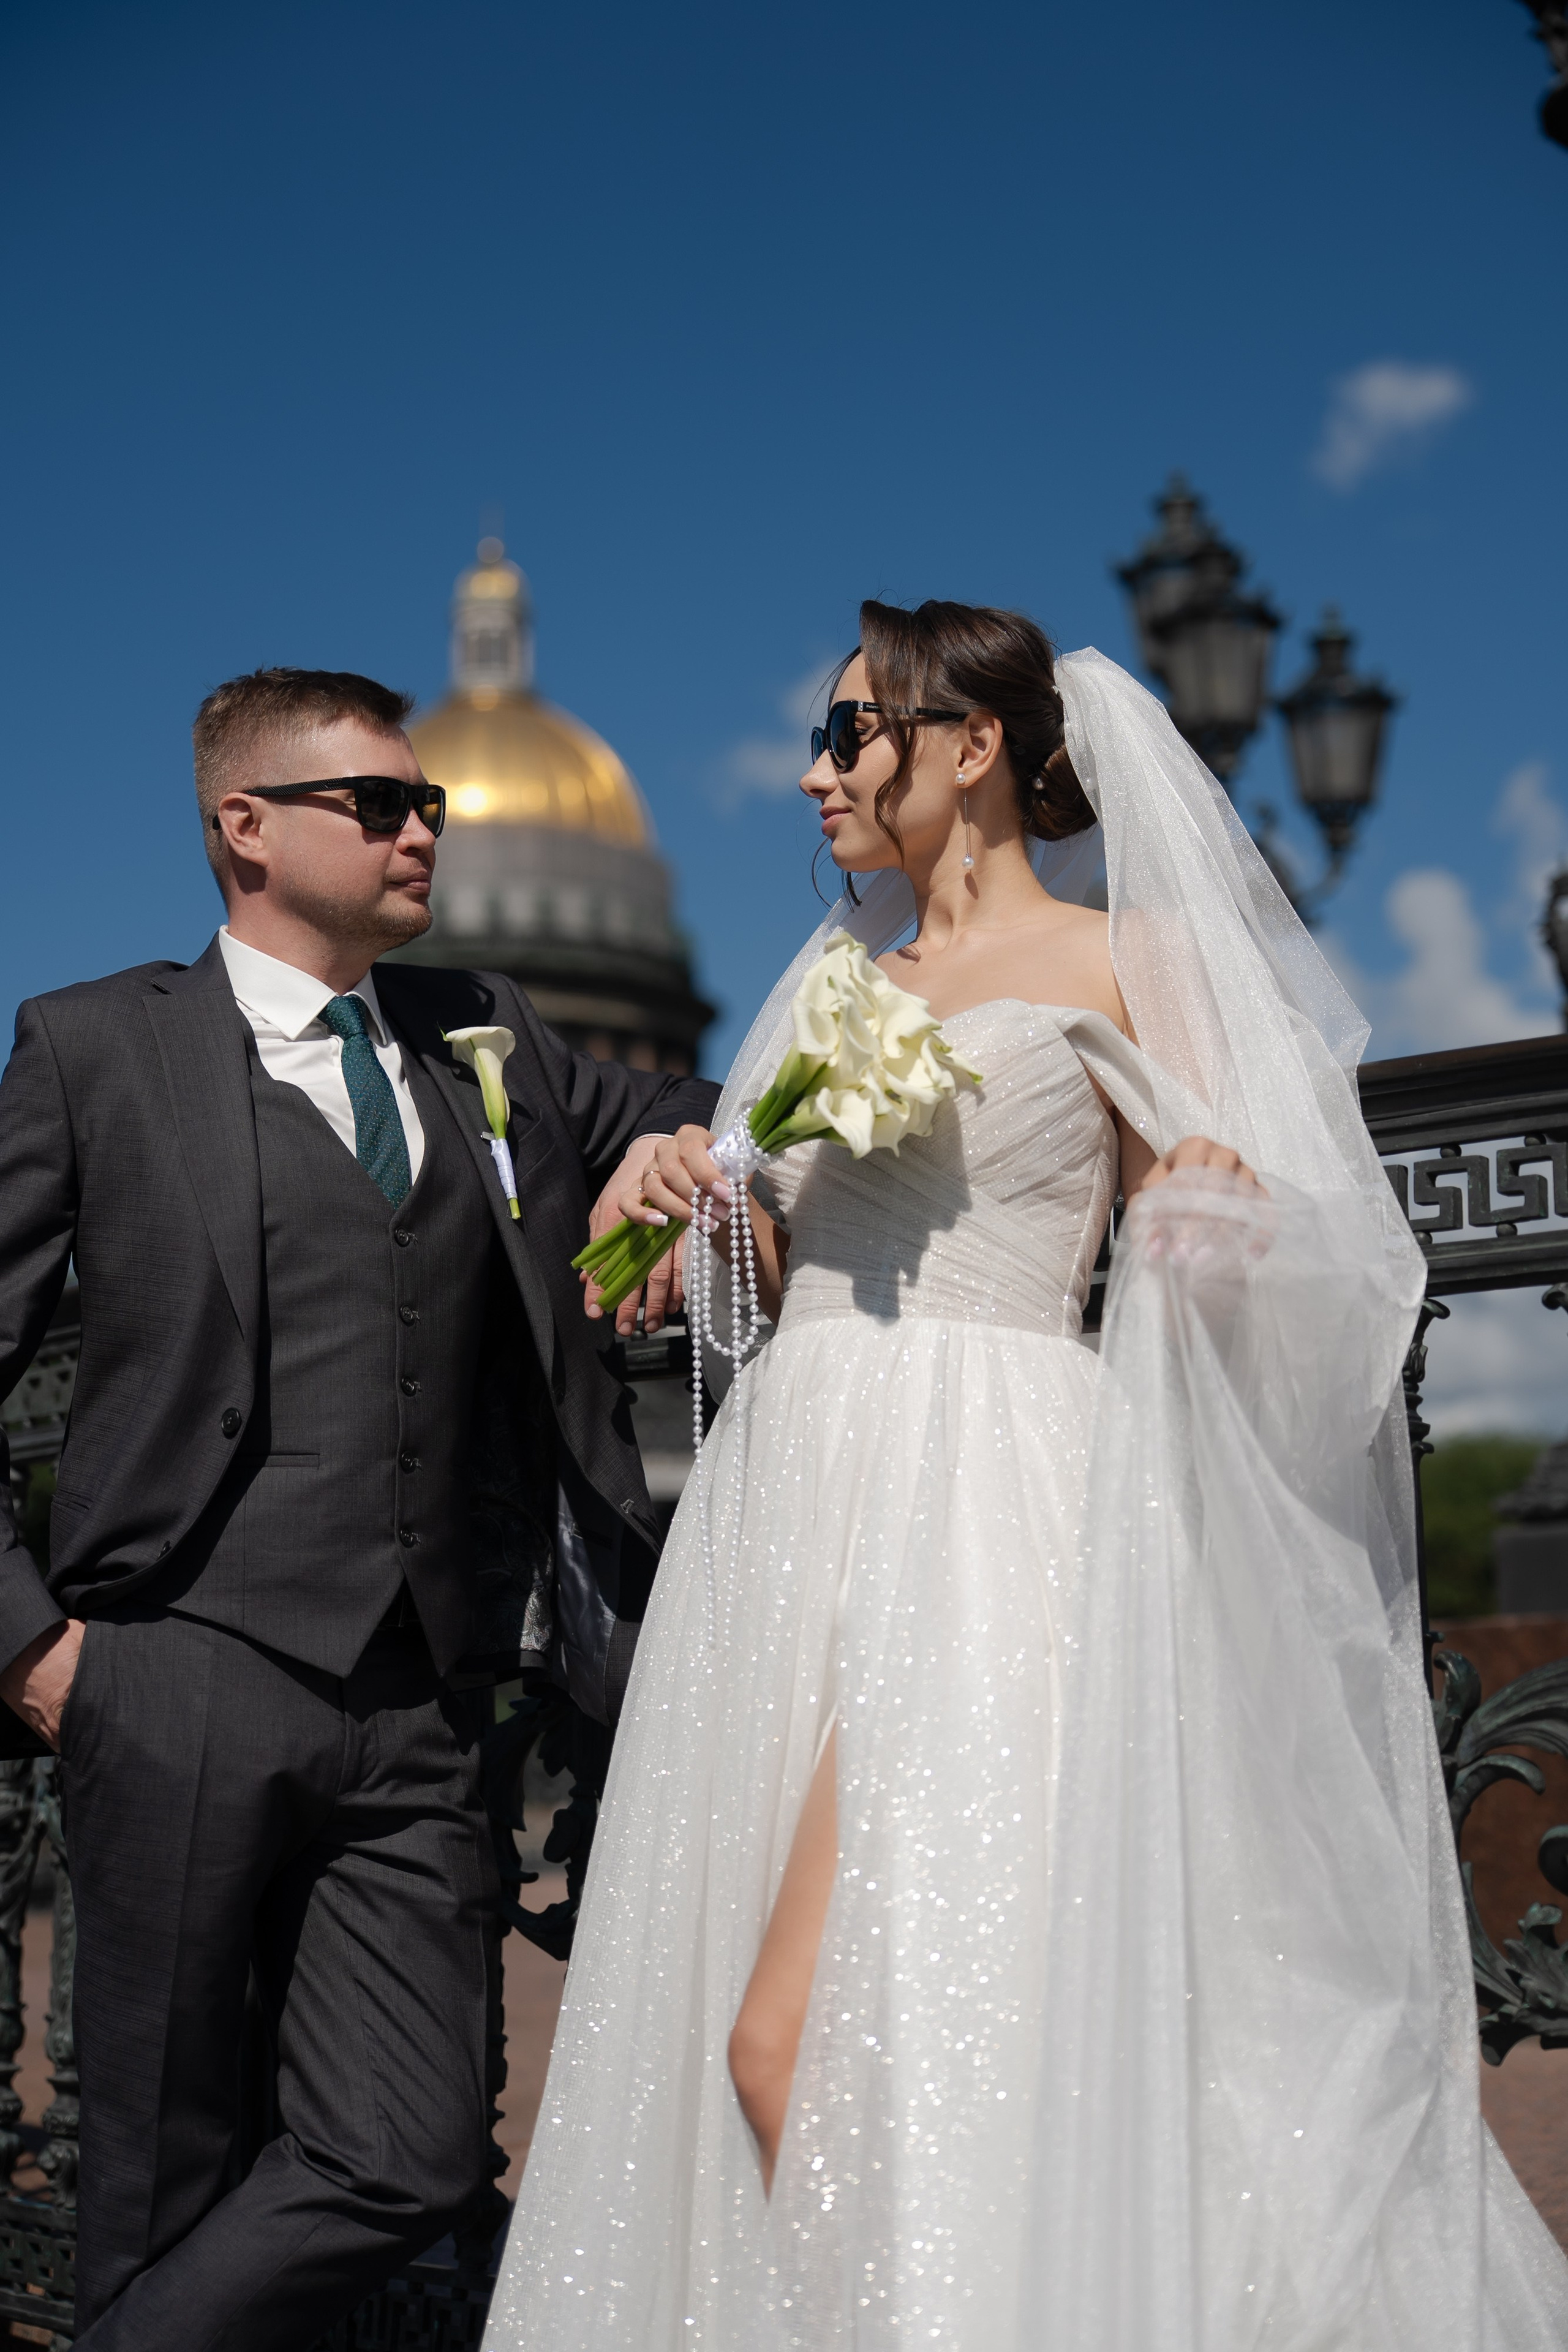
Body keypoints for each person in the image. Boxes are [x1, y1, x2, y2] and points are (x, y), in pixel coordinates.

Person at [484, 603, 1568, 2350]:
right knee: (808, 2045)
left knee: (818, 2041)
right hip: (786, 1509)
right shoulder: (832, 985)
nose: (816, 768)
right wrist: (677, 1202)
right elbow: (736, 1287)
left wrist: (1219, 1211)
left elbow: (1278, 1239)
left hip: (992, 1507)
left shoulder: (1120, 963)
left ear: (970, 746)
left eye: (855, 733)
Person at [0, 665, 718, 2351]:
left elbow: (704, 1104)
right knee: (160, 2175)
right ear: (245, 828)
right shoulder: (97, 1048)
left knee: (405, 2154)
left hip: (422, 1703)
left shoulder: (492, 1033)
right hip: (170, 1669)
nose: (424, 829)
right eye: (380, 804)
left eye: (432, 806)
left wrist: (656, 1158)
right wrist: (38, 1657)